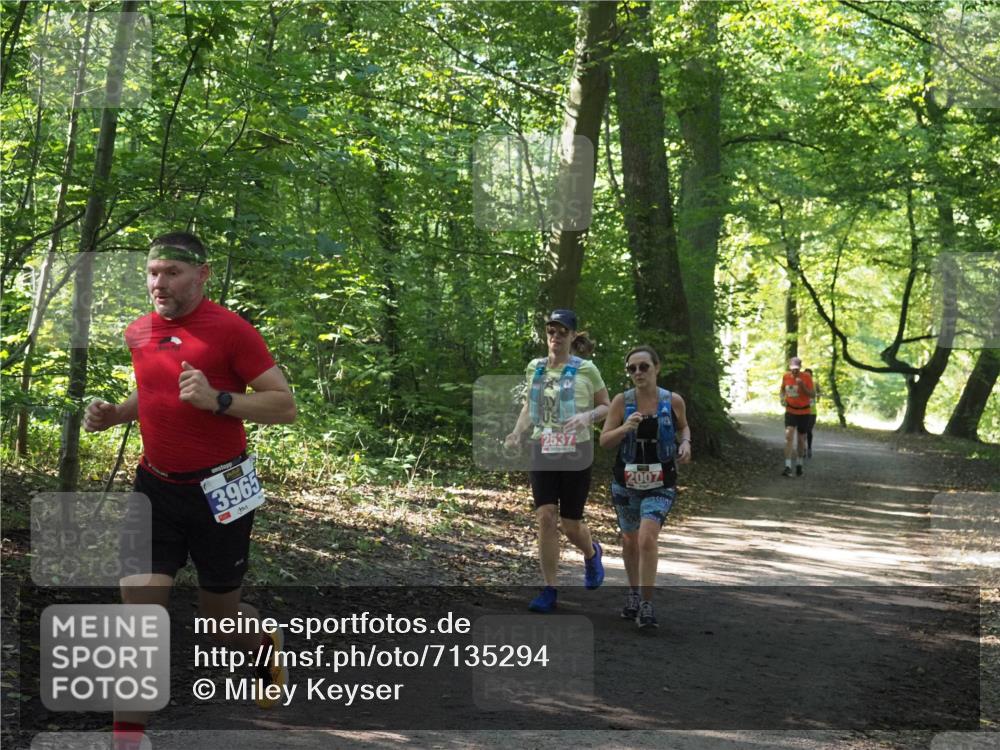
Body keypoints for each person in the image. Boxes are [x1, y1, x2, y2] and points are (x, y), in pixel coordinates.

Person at [84, 232, 296, 748]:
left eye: (172, 273)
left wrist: (219, 400)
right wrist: (117, 414)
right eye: (153, 272)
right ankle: (127, 739)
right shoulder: (139, 331)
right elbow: (154, 386)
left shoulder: (231, 331)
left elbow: (283, 404)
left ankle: (264, 644)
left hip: (224, 489)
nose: (159, 283)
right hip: (154, 487)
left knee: (220, 624)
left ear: (202, 275)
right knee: (139, 617)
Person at [504, 309, 611, 613]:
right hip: (543, 447)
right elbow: (529, 404)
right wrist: (516, 433)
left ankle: (591, 553)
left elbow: (606, 405)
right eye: (551, 330)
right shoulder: (535, 368)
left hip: (576, 451)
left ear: (573, 336)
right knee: (546, 517)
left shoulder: (586, 369)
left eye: (563, 331)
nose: (556, 336)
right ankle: (549, 589)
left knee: (571, 523)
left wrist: (586, 416)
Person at [600, 346, 691, 629]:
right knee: (629, 539)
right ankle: (634, 592)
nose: (638, 373)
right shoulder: (620, 402)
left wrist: (686, 442)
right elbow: (605, 442)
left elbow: (683, 428)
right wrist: (626, 427)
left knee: (646, 538)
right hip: (625, 483)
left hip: (661, 483)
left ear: (656, 368)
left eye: (643, 367)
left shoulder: (672, 400)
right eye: (632, 368)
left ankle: (647, 604)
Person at [779, 356, 814, 477]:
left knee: (800, 439)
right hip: (790, 410)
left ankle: (799, 464)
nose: (794, 371)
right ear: (790, 367)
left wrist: (803, 386)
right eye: (793, 368)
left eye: (797, 369)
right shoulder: (786, 376)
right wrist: (782, 398)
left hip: (804, 412)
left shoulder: (806, 377)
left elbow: (813, 395)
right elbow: (782, 390)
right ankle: (788, 466)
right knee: (789, 436)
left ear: (800, 368)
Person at [804, 368, 820, 458]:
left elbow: (819, 392)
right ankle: (803, 449)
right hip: (802, 411)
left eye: (809, 375)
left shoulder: (815, 384)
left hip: (812, 412)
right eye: (805, 375)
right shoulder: (800, 384)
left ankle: (809, 448)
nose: (807, 377)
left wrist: (817, 398)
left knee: (808, 430)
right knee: (802, 431)